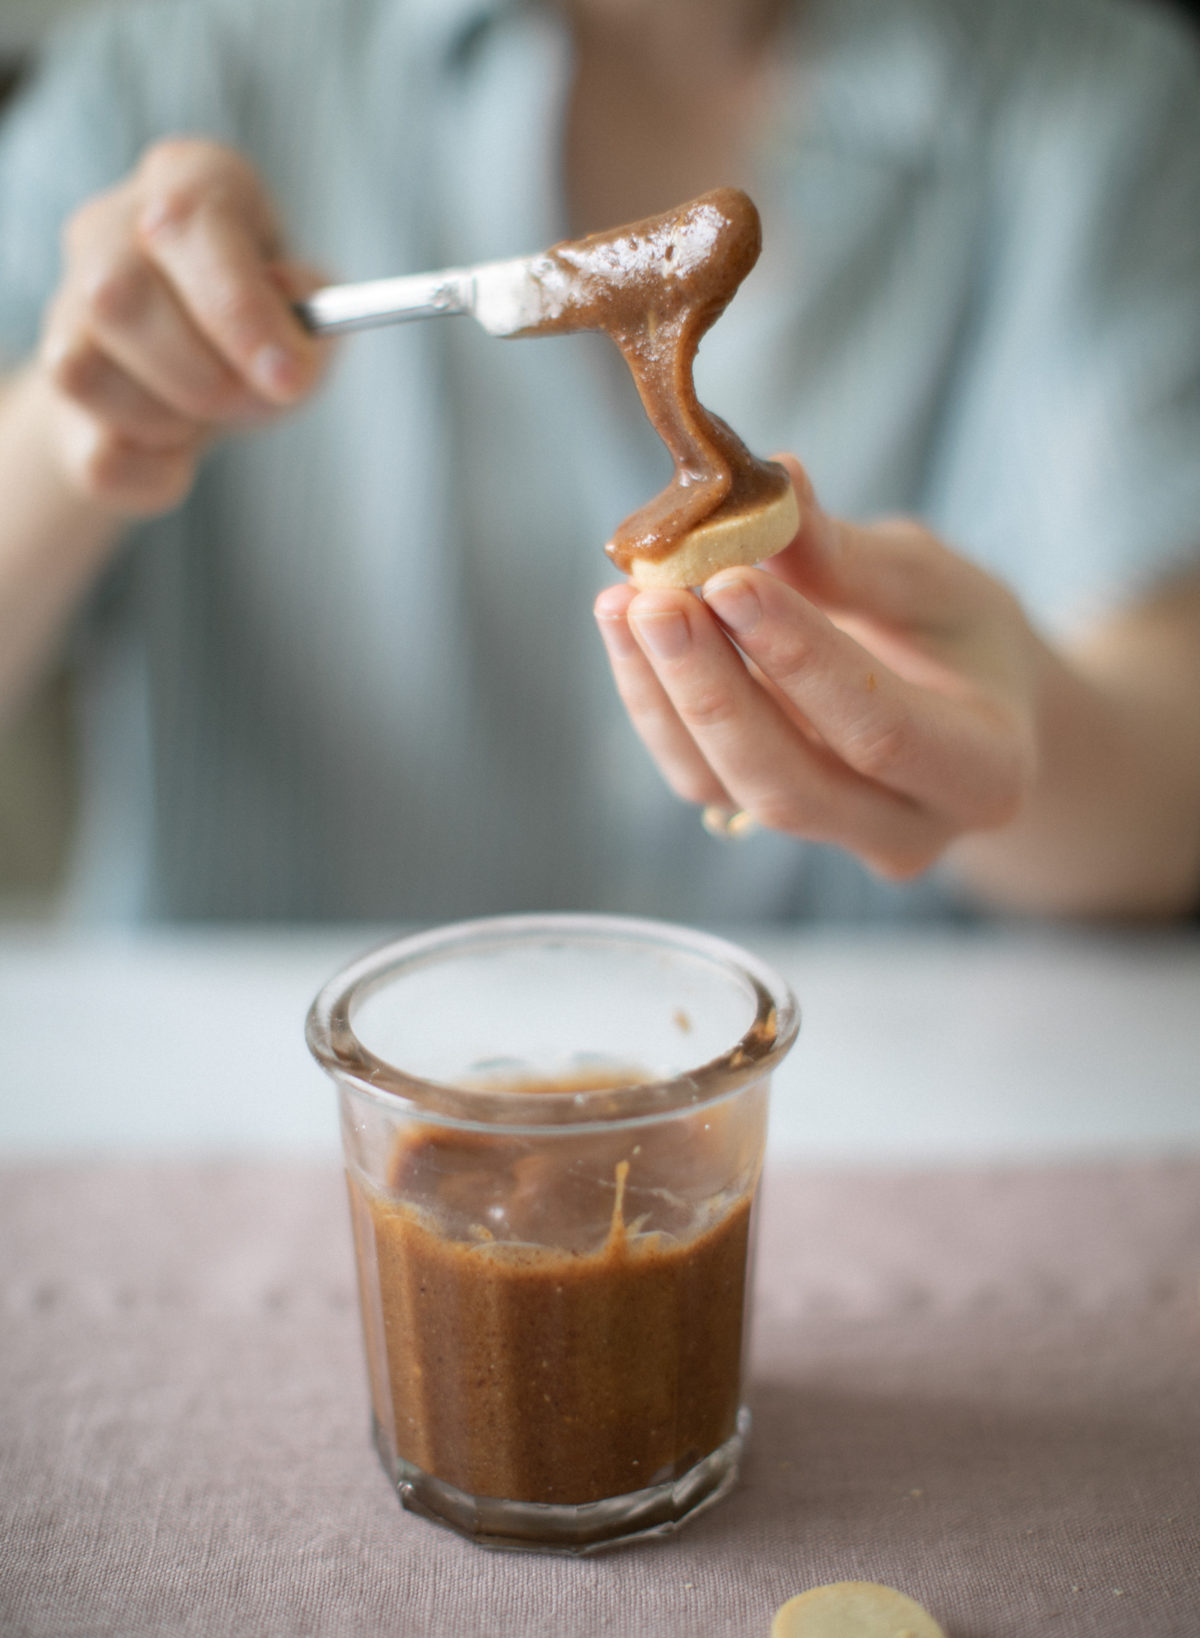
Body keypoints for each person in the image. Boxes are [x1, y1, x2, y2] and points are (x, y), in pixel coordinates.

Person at [0, 0, 1198, 925]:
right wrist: (82, 421)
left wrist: (1027, 748)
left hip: (884, 1098)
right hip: (267, 1104)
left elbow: (1171, 767)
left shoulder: (1098, 102)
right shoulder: (166, 76)